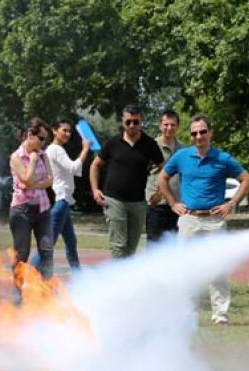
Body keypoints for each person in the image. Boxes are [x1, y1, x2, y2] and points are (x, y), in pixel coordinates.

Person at [158, 115, 249, 325]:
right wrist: (173, 203)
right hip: (189, 220)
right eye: (194, 133)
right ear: (190, 136)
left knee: (217, 269)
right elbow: (162, 177)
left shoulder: (223, 158)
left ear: (210, 133)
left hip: (214, 222)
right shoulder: (181, 157)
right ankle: (189, 315)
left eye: (202, 132)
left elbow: (246, 179)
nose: (198, 136)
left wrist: (232, 204)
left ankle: (220, 316)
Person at [89, 104, 165, 258]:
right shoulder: (113, 143)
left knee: (131, 248)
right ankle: (118, 281)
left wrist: (159, 192)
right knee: (118, 246)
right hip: (113, 199)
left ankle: (127, 280)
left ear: (141, 121)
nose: (132, 125)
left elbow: (164, 169)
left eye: (135, 122)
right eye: (128, 122)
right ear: (122, 121)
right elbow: (95, 165)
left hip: (138, 202)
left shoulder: (149, 144)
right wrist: (95, 190)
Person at [8, 120, 54, 288]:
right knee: (22, 254)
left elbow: (50, 180)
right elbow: (26, 179)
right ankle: (17, 293)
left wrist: (34, 184)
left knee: (47, 251)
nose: (43, 143)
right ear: (29, 134)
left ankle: (46, 290)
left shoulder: (43, 154)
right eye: (41, 138)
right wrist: (33, 161)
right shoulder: (16, 157)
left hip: (43, 208)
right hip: (22, 211)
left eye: (45, 140)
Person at [41, 118, 90, 270]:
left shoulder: (53, 150)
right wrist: (85, 149)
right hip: (62, 201)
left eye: (69, 131)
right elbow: (74, 168)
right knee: (49, 244)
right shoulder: (56, 150)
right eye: (64, 130)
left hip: (65, 201)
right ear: (54, 131)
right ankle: (31, 273)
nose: (68, 134)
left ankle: (78, 276)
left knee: (70, 242)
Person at [146, 111, 184, 243]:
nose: (169, 128)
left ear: (178, 126)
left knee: (172, 246)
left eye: (173, 125)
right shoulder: (150, 146)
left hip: (177, 205)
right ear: (160, 126)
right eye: (166, 124)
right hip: (157, 204)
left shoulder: (183, 149)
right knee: (154, 246)